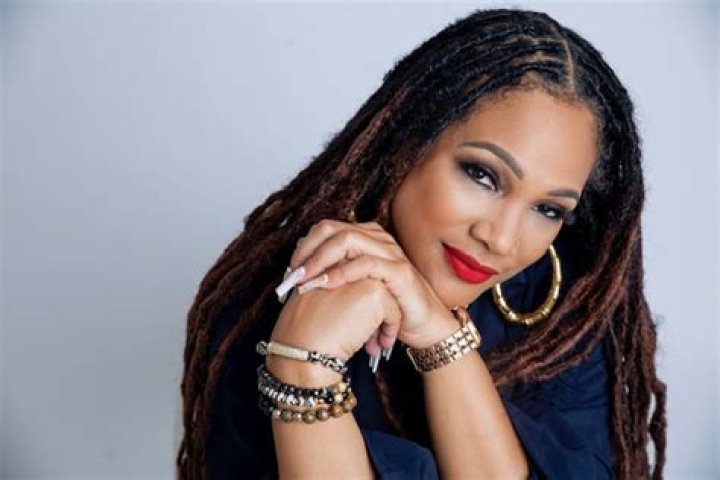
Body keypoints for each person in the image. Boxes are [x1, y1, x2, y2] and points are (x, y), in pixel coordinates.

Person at [176, 7, 666, 479]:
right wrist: (305, 369)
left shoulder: (566, 313)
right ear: (409, 142)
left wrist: (441, 339)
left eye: (549, 209)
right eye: (482, 175)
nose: (500, 240)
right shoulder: (269, 303)